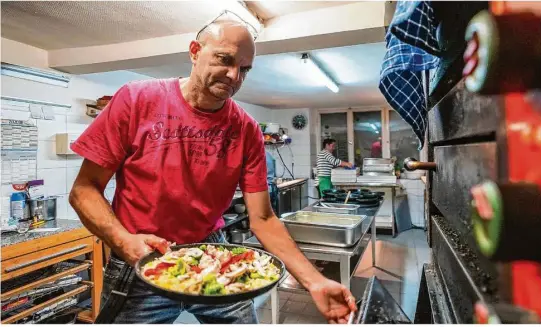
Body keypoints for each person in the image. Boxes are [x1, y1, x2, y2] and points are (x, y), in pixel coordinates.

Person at [69, 19, 356, 324]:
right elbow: (83, 189)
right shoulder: (136, 100)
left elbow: (262, 218)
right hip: (141, 257)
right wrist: (123, 240)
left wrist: (315, 281)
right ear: (195, 51)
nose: (234, 75)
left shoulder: (245, 129)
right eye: (225, 59)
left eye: (244, 69)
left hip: (213, 251)